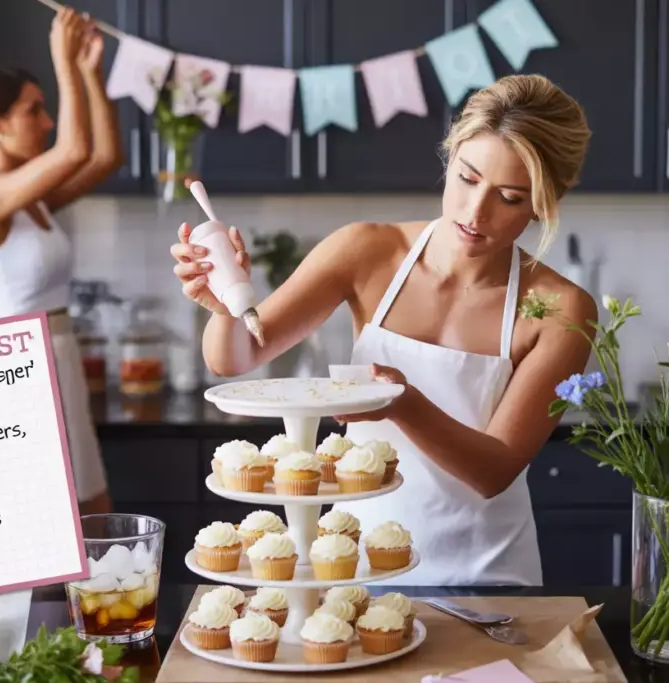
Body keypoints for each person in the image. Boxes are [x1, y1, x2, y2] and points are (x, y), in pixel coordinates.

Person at [171, 74, 598, 586]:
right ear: (451, 155)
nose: (475, 211)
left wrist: (400, 403)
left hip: (487, 579)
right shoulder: (367, 251)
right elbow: (233, 359)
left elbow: (494, 472)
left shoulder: (561, 308)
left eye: (508, 196)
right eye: (466, 178)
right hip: (352, 566)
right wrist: (224, 305)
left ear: (544, 203)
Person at [0, 7, 121, 516]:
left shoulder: (30, 201)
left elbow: (103, 157)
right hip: (20, 368)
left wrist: (89, 73)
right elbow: (75, 148)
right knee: (57, 519)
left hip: (58, 357)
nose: (47, 121)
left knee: (90, 508)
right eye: (32, 110)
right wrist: (61, 58)